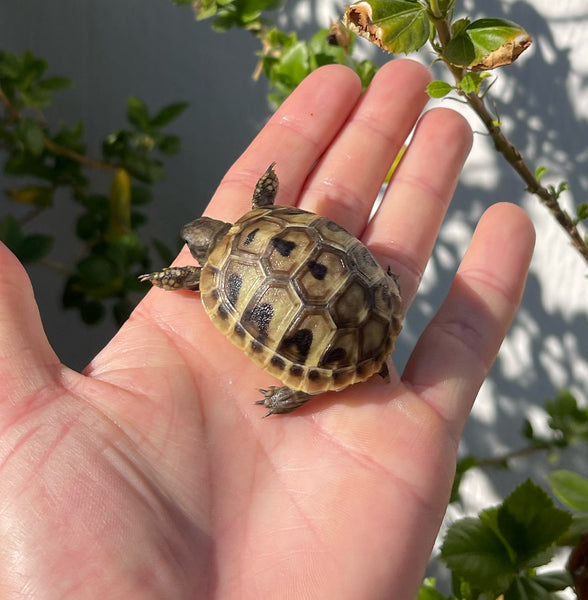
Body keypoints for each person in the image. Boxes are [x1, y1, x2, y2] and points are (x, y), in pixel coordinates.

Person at [0, 60, 534, 599]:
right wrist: (266, 188)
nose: (195, 242)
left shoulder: (209, 278)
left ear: (205, 246)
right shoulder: (260, 221)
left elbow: (195, 272)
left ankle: (297, 390)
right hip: (372, 301)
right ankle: (308, 381)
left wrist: (166, 278)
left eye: (196, 245)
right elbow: (270, 205)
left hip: (326, 320)